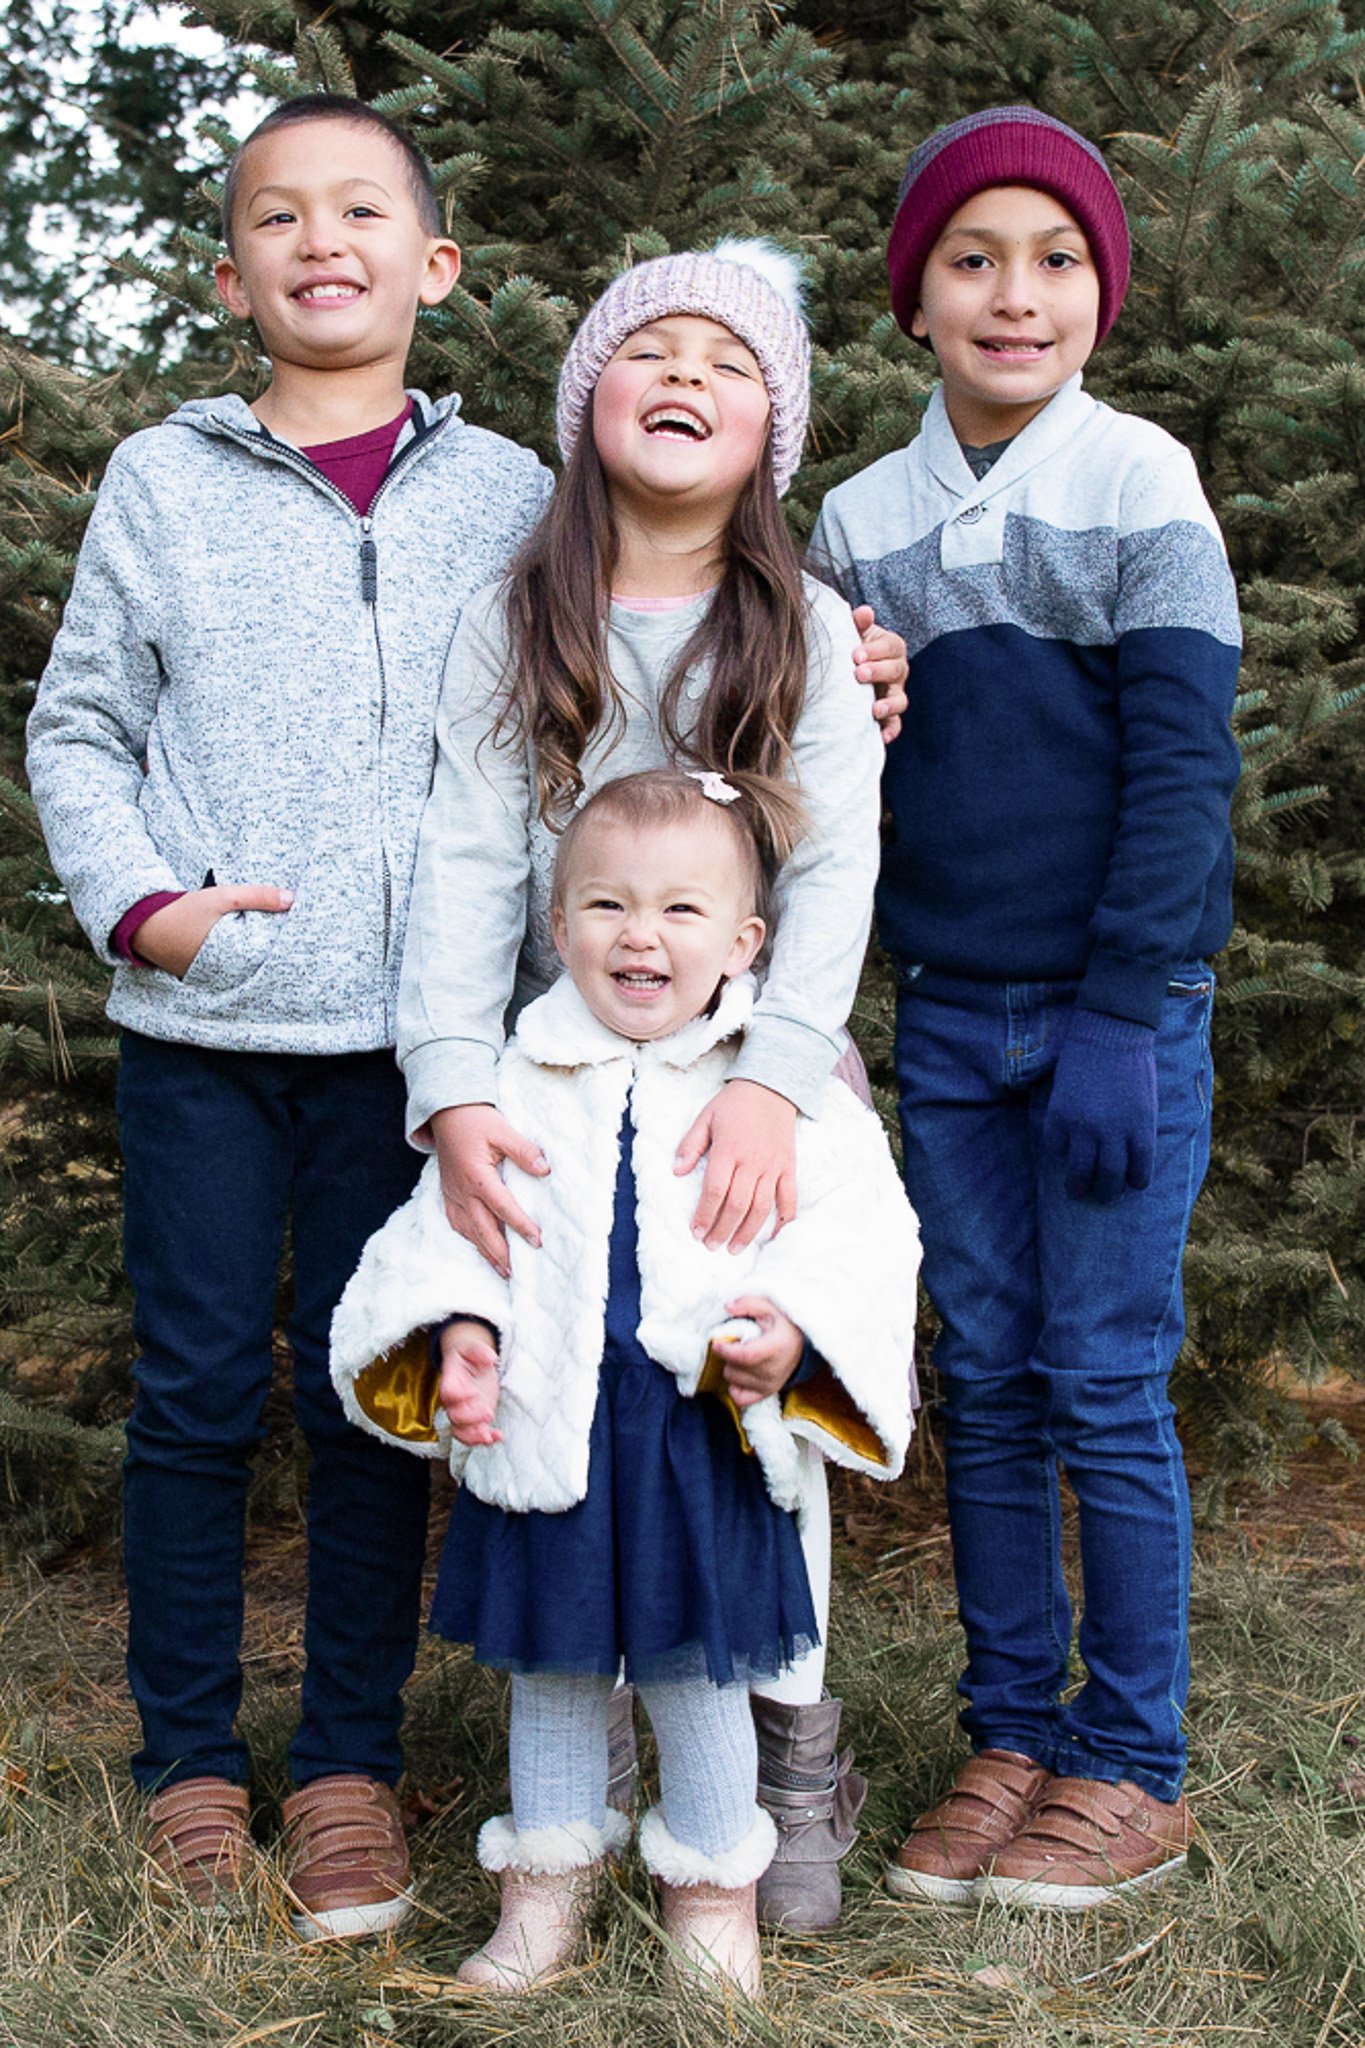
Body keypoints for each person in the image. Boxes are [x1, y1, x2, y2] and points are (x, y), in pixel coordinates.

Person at [23, 99, 907, 1939]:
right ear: (233, 267)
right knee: (203, 1392)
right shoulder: (186, 485)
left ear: (434, 266)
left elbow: (754, 736)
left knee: (511, 1395)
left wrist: (855, 648)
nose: (319, 241)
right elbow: (98, 728)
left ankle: (413, 1760)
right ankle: (195, 1758)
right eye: (279, 215)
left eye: (363, 212)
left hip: (546, 1068)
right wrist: (154, 912)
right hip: (273, 1035)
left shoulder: (513, 490)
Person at [395, 235, 896, 1930]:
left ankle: (783, 1737)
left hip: (747, 1078)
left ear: (776, 427)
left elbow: (832, 875)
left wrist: (773, 1078)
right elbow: (465, 856)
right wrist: (455, 1080)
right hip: (557, 1072)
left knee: (755, 1389)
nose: (685, 378)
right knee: (572, 1380)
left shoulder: (807, 627)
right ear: (582, 399)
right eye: (647, 350)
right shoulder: (515, 614)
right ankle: (589, 1736)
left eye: (729, 362)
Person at [812, 106, 1242, 1910]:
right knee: (982, 1374)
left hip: (1108, 1016)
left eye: (1056, 259)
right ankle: (1011, 1724)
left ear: (1100, 295)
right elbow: (824, 779)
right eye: (973, 259)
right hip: (953, 1021)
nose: (1016, 293)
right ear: (915, 299)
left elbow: (1183, 769)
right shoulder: (854, 516)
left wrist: (1127, 1011)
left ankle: (1131, 1753)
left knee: (1104, 1377)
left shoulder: (1140, 479)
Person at [332, 769, 920, 1995]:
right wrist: (456, 1336)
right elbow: (445, 1233)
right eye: (604, 904)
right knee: (550, 1668)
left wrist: (793, 1337)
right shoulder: (520, 1072)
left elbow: (861, 1236)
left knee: (694, 1665)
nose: (639, 934)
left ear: (746, 939)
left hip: (693, 1436)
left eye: (679, 911)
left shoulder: (772, 1085)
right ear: (558, 929)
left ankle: (714, 1900)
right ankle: (544, 1894)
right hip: (554, 1422)